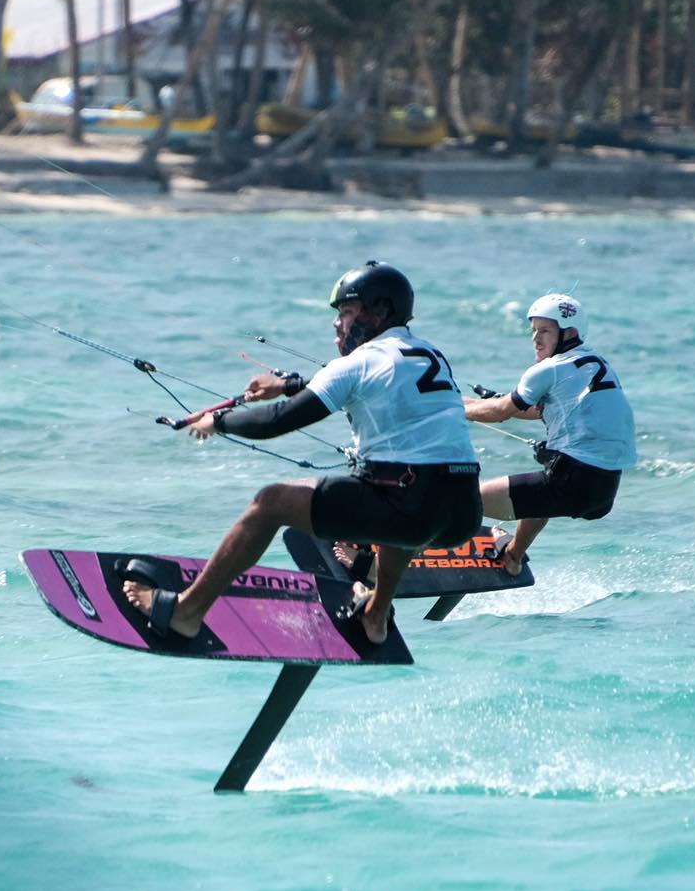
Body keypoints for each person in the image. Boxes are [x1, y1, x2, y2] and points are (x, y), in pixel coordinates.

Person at [122, 261, 482, 646]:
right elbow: (364, 383)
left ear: (378, 312)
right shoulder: (426, 353)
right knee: (390, 500)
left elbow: (277, 422)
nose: (337, 324)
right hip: (462, 512)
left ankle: (185, 613)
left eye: (346, 312)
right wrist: (288, 385)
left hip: (412, 508)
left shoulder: (359, 362)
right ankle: (376, 615)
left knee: (271, 502)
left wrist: (220, 421)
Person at [463, 292, 635, 575]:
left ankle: (415, 551)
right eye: (533, 331)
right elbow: (537, 411)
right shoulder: (596, 362)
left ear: (569, 334)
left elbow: (500, 412)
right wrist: (475, 404)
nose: (536, 339)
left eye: (545, 331)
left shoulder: (549, 368)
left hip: (572, 480)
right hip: (604, 490)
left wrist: (456, 409)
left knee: (465, 501)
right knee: (540, 493)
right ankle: (513, 556)